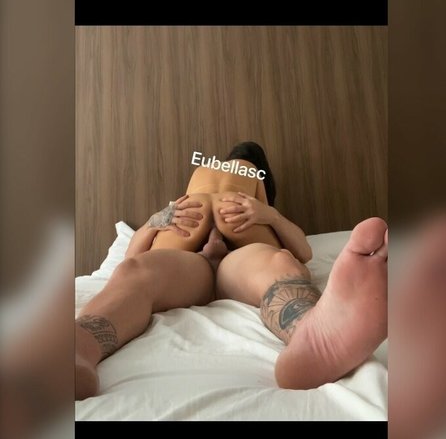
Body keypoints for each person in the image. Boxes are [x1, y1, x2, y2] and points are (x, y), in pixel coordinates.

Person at [76, 142, 387, 399]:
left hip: (239, 262)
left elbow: (304, 253)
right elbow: (129, 257)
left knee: (280, 264)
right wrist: (156, 220)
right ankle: (78, 350)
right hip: (191, 265)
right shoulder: (183, 200)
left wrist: (270, 215)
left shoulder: (260, 205)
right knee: (136, 270)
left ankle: (313, 336)